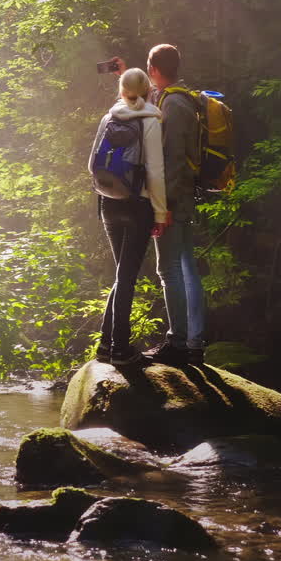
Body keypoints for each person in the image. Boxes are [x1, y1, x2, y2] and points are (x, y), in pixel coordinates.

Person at [110, 44, 205, 366]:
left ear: (154, 70)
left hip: (175, 199)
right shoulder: (172, 97)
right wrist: (125, 74)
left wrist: (166, 208)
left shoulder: (174, 104)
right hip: (179, 196)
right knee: (185, 267)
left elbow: (174, 160)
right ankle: (192, 342)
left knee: (170, 269)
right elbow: (139, 96)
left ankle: (179, 343)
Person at [89, 67, 168, 366]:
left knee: (121, 274)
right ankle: (120, 348)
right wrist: (160, 212)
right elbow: (156, 172)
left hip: (108, 202)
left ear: (121, 91)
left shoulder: (108, 117)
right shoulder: (150, 120)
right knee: (127, 277)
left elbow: (91, 166)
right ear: (148, 91)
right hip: (138, 204)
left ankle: (105, 346)